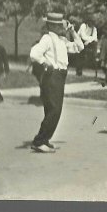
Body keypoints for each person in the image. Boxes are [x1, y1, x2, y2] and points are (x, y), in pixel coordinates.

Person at [28, 12, 84, 153]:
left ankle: (44, 139)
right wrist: (45, 62)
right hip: (52, 76)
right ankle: (39, 141)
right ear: (51, 25)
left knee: (51, 109)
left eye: (62, 25)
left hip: (60, 76)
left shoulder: (62, 40)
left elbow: (79, 47)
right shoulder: (47, 38)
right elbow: (34, 53)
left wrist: (72, 31)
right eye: (59, 25)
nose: (62, 27)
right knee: (55, 109)